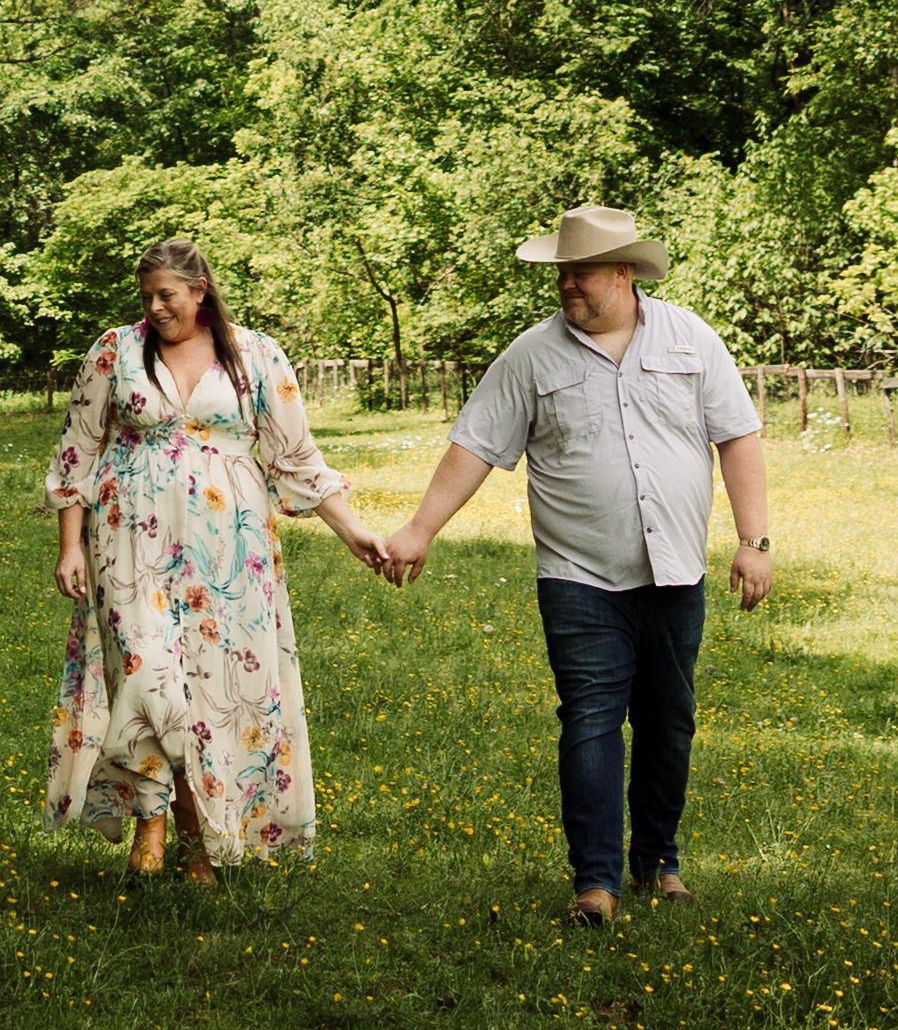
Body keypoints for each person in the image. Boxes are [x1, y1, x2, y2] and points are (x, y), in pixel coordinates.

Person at [372, 202, 774, 924]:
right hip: (578, 573)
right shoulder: (531, 355)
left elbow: (737, 437)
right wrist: (420, 528)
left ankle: (658, 862)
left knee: (669, 722)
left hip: (676, 569)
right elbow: (475, 445)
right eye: (561, 272)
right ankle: (596, 883)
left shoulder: (691, 339)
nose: (566, 284)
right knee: (590, 719)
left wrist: (754, 540)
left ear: (622, 273)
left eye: (580, 272)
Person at [44, 236, 392, 881]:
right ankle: (150, 818)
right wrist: (70, 546)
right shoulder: (115, 350)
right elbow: (78, 451)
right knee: (144, 672)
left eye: (166, 295)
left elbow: (295, 457)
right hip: (128, 540)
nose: (155, 308)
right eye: (147, 297)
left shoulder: (255, 354)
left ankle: (201, 837)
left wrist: (353, 531)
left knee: (215, 688)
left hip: (230, 548)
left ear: (199, 291)